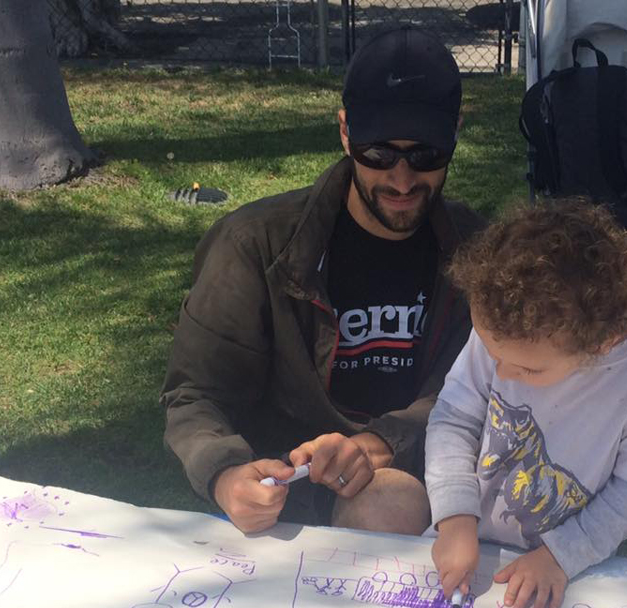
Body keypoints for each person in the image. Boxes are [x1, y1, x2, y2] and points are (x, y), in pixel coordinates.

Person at [160, 26, 485, 536]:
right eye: (378, 153)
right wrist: (225, 474)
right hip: (290, 486)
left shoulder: (481, 255)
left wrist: (380, 444)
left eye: (425, 155)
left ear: (455, 134)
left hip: (425, 477)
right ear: (344, 133)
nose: (401, 179)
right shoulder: (254, 243)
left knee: (388, 504)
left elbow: (483, 394)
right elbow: (196, 392)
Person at [425, 198, 627, 608]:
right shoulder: (505, 329)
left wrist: (560, 555)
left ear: (602, 344)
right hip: (470, 545)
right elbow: (454, 418)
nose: (501, 375)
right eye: (493, 355)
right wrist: (454, 517)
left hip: (568, 573)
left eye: (526, 369)